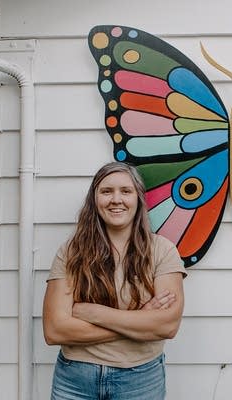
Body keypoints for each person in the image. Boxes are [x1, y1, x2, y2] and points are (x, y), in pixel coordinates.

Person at [42, 161, 186, 400]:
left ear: (138, 199)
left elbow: (166, 326)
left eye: (125, 191)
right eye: (106, 191)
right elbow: (55, 330)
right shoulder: (72, 251)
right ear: (94, 200)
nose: (116, 199)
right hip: (75, 379)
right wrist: (140, 319)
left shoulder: (162, 251)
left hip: (140, 379)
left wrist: (91, 312)